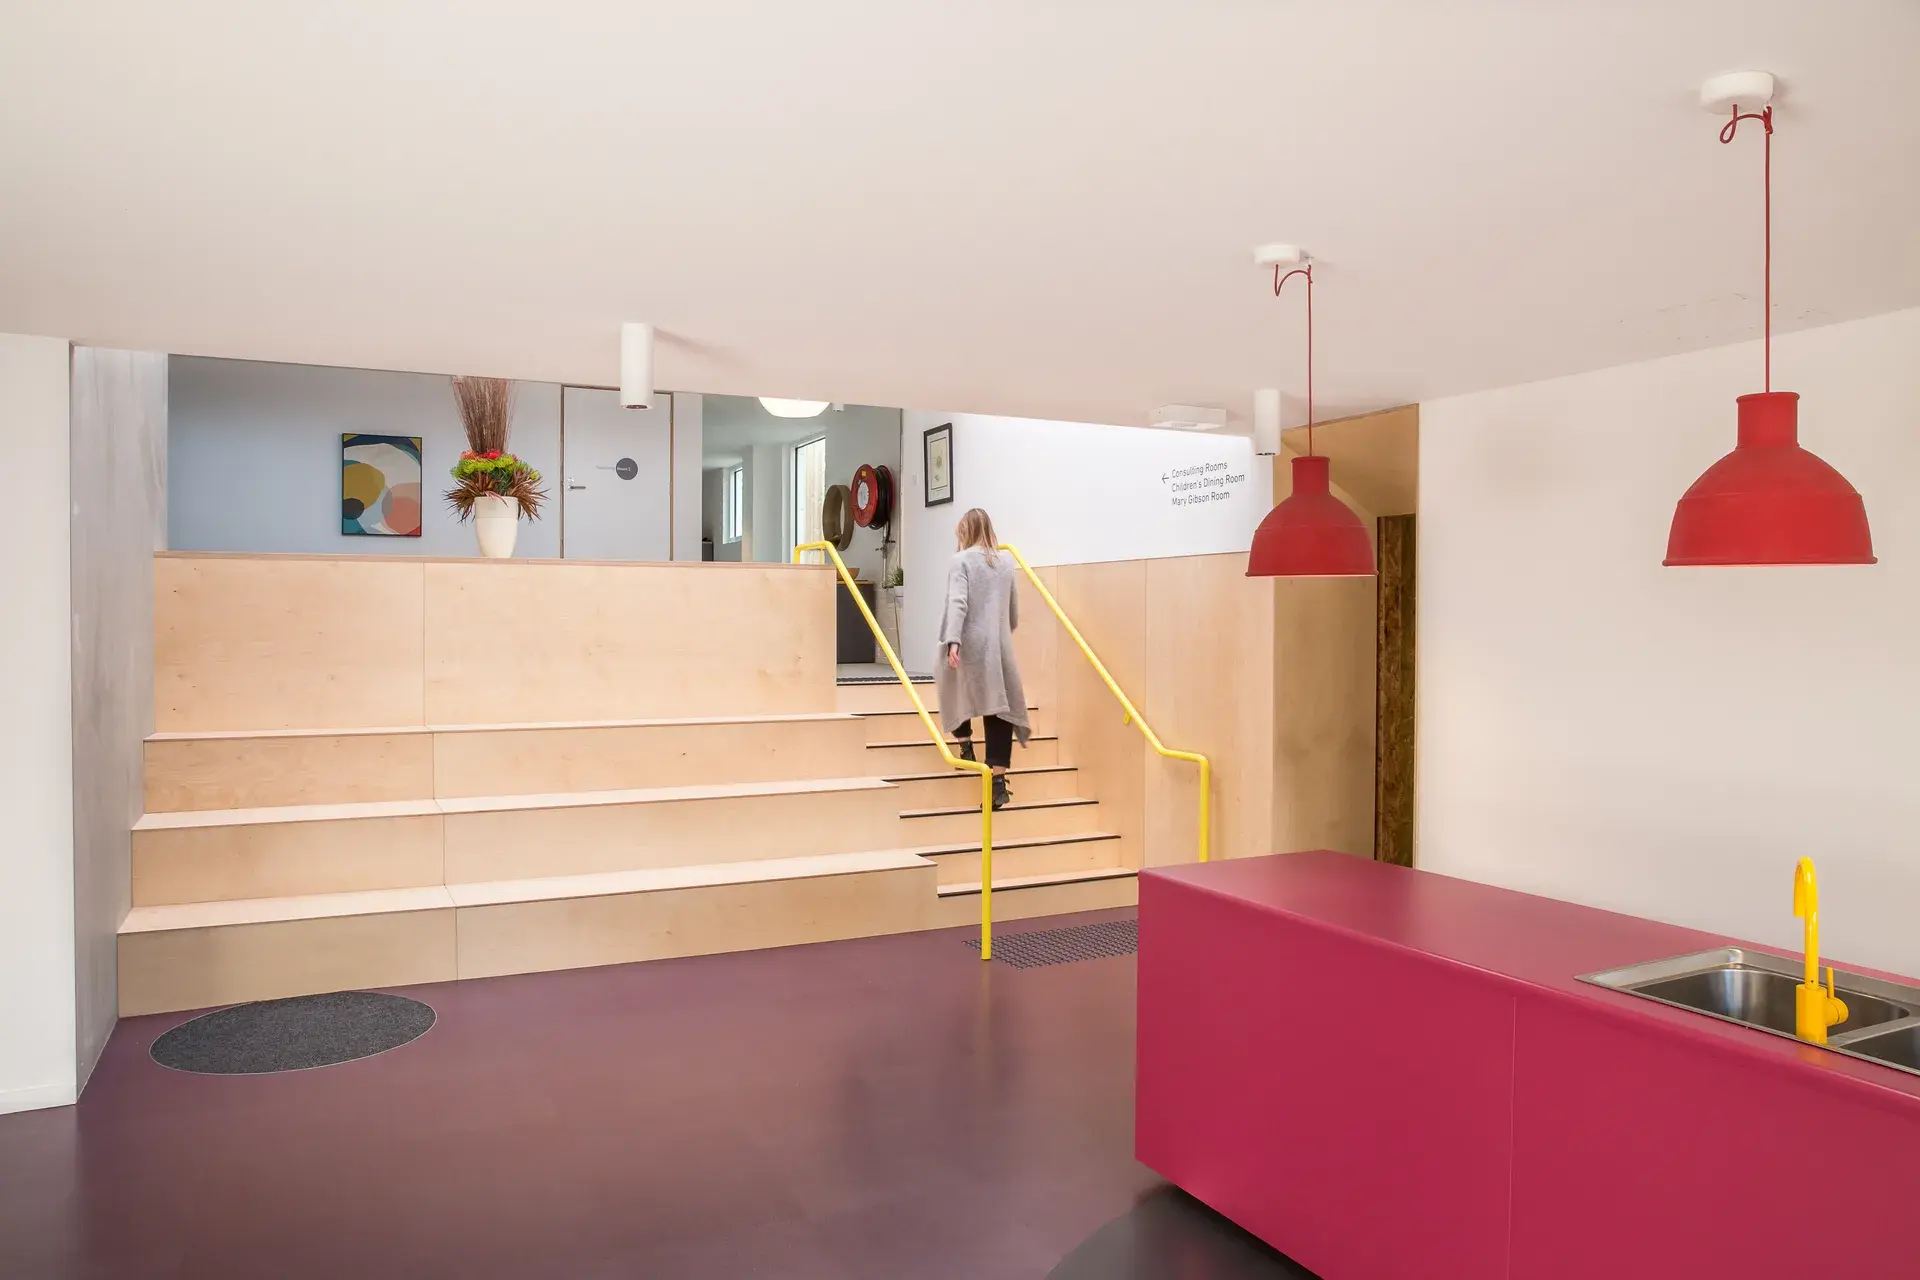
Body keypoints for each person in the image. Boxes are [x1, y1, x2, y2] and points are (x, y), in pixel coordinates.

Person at [936, 508, 1030, 810]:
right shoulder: (1006, 562)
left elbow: (958, 602)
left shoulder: (960, 561)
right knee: (998, 706)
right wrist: (1001, 633)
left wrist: (953, 640)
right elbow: (1013, 613)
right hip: (998, 644)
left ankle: (965, 746)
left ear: (966, 532)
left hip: (968, 640)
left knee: (951, 685)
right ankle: (997, 782)